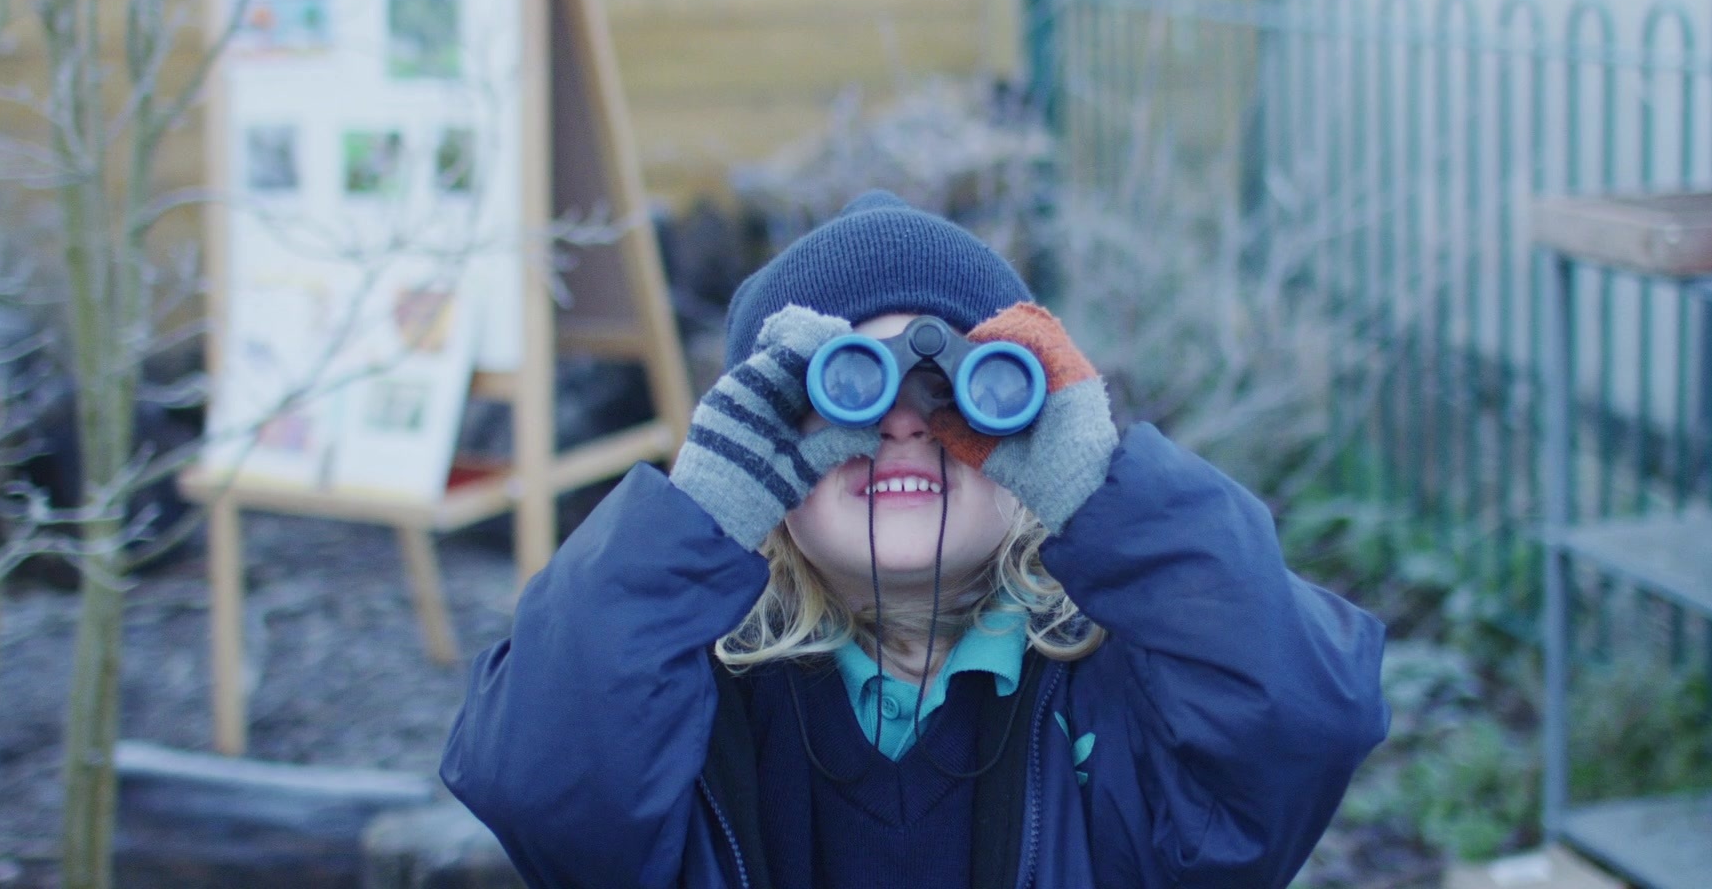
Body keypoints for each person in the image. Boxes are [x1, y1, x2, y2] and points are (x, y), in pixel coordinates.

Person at [441, 191, 1389, 889]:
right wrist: (698, 514)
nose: (902, 424)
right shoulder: (683, 706)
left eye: (953, 397)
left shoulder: (1127, 693)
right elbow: (542, 782)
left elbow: (1305, 717)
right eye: (841, 394)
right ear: (760, 471)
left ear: (1027, 447)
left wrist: (1100, 490)